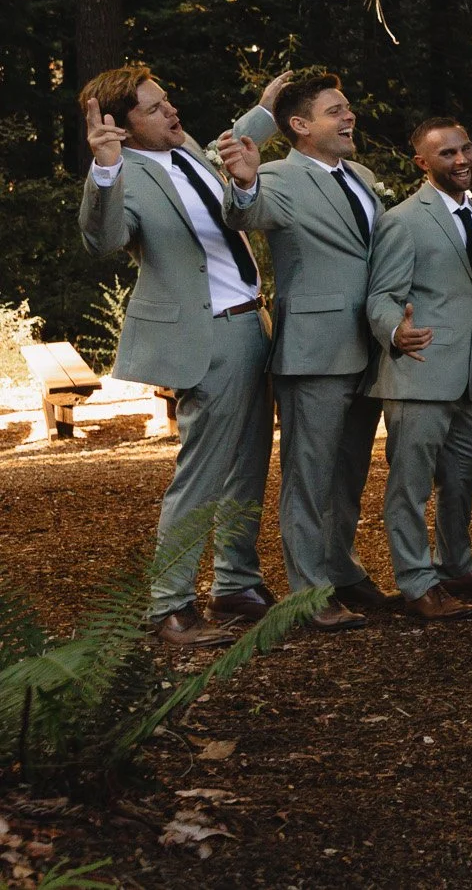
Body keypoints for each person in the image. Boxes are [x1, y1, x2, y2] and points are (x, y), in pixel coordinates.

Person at [79, 66, 287, 644]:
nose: (172, 111)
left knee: (247, 464)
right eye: (155, 107)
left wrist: (267, 109)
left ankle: (236, 582)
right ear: (120, 129)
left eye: (168, 99)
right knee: (200, 475)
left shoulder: (185, 147)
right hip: (208, 336)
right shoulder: (125, 175)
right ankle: (169, 604)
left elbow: (230, 144)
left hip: (254, 323)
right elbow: (102, 240)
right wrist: (103, 168)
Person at [219, 70, 396, 630]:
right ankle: (309, 595)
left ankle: (342, 570)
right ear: (299, 126)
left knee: (348, 472)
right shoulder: (278, 177)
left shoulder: (363, 175)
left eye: (348, 108)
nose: (349, 117)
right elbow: (247, 212)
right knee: (309, 475)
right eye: (335, 111)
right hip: (314, 350)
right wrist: (244, 183)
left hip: (371, 344)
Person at [366, 119, 472, 620]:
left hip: (468, 378)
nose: (463, 160)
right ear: (422, 162)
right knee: (410, 485)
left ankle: (455, 564)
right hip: (417, 373)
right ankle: (417, 584)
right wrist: (395, 333)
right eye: (447, 154)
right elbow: (381, 297)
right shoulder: (403, 221)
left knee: (465, 472)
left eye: (466, 148)